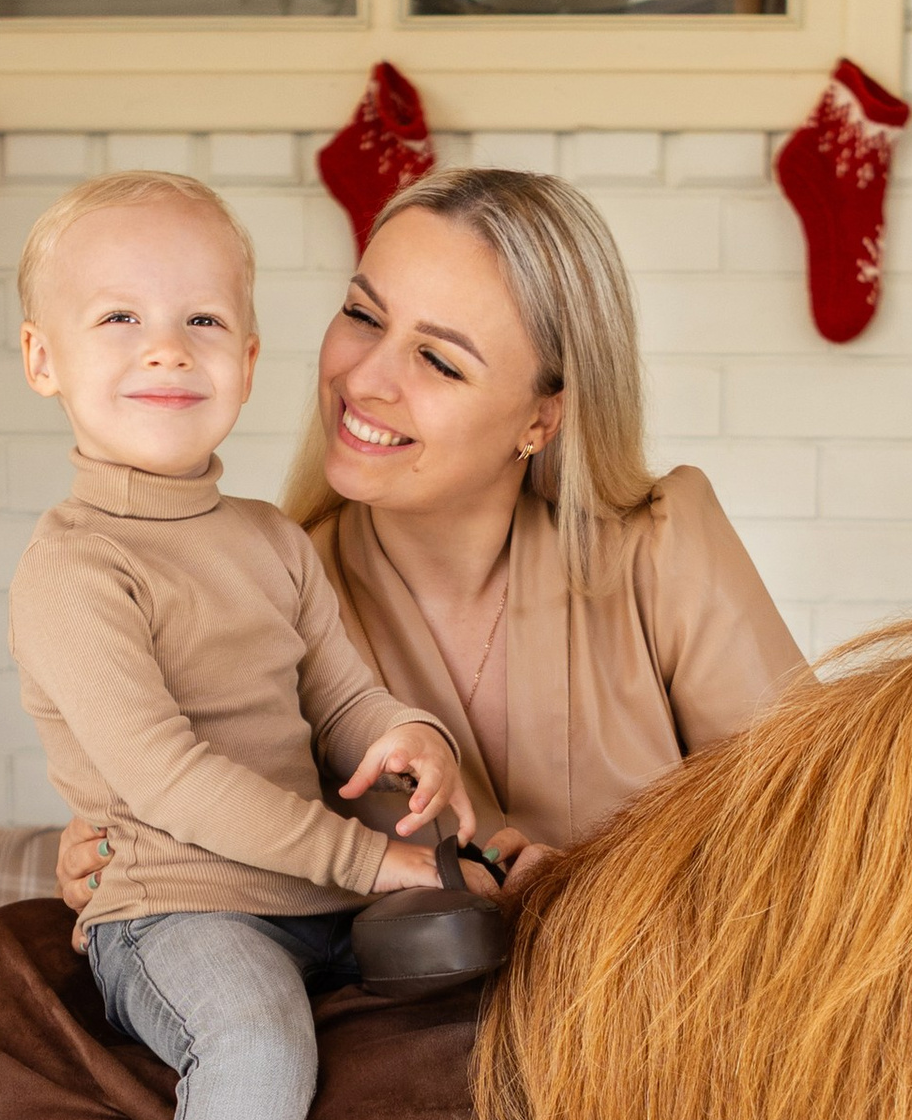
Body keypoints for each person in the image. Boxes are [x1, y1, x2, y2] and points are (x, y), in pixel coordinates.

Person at [10, 169, 476, 1120]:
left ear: (252, 357)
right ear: (44, 360)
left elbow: (341, 697)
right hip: (178, 905)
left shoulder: (274, 542)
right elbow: (164, 777)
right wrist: (363, 863)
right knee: (257, 1036)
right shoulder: (76, 566)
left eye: (204, 322)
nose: (166, 348)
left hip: (313, 891)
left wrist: (410, 738)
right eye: (118, 320)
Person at [60, 164, 803, 927]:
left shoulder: (668, 545)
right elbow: (190, 799)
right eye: (362, 315)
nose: (367, 378)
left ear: (542, 420)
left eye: (440, 360)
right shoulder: (269, 584)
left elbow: (828, 844)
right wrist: (109, 856)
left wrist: (602, 885)